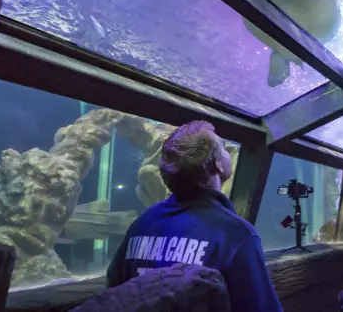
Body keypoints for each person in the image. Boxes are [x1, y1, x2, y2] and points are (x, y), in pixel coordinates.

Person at [106, 120, 283, 312]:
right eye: (223, 148)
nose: (229, 151)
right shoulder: (235, 234)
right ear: (217, 164)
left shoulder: (142, 224)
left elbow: (114, 288)